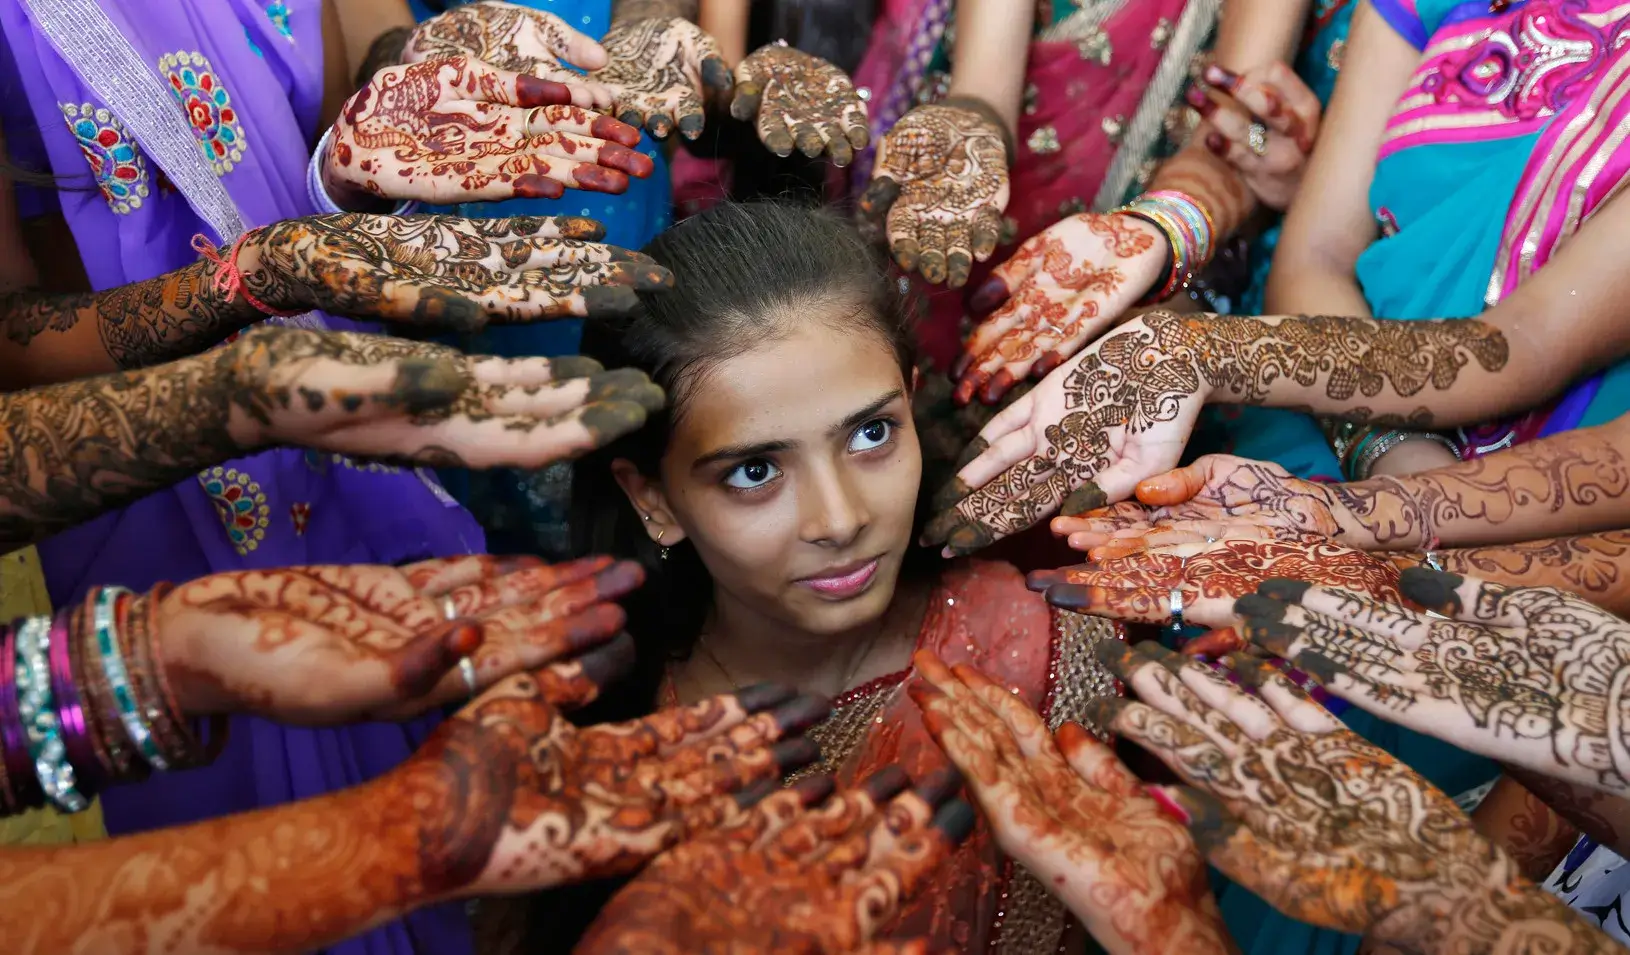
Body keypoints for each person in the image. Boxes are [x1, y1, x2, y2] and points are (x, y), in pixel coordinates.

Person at [553, 201, 1124, 953]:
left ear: (912, 398)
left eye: (871, 433)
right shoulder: (604, 750)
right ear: (651, 497)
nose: (840, 517)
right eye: (755, 471)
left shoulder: (1039, 642)